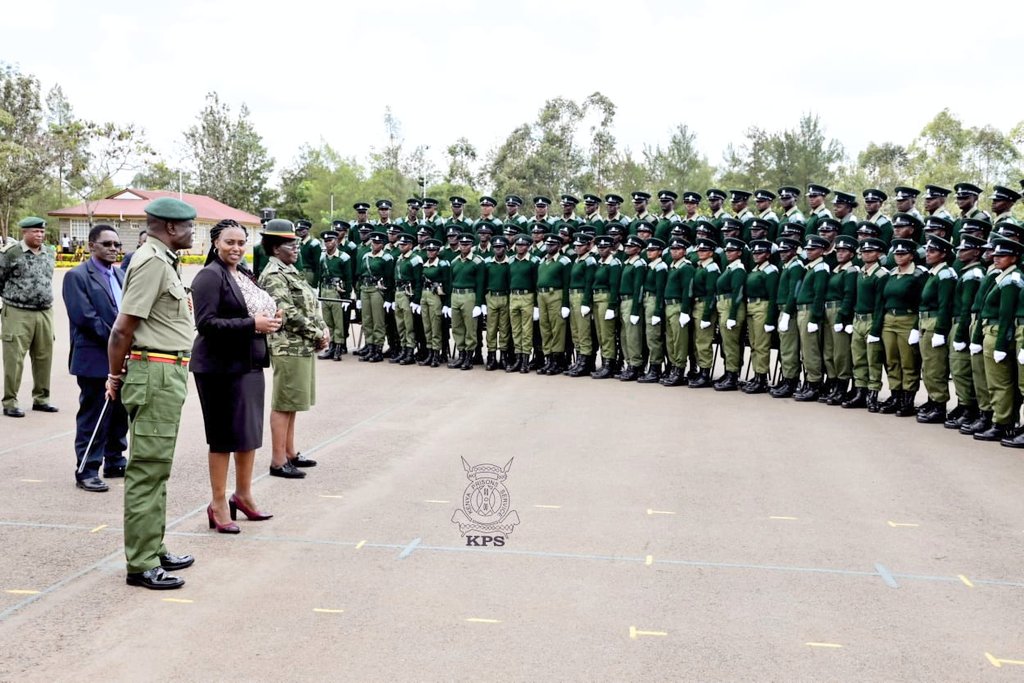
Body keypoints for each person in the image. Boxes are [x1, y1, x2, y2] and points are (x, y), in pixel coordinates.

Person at [105, 197, 198, 590]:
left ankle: (153, 547)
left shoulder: (163, 260)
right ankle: (141, 562)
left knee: (158, 467)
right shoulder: (151, 262)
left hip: (166, 370)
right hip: (155, 371)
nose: (194, 232)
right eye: (190, 226)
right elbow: (122, 329)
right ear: (171, 229)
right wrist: (114, 375)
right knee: (146, 469)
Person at [191, 219, 281, 533]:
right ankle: (217, 504)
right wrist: (251, 325)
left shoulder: (243, 273)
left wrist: (271, 320)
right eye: (230, 242)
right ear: (215, 243)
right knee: (222, 438)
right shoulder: (208, 276)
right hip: (218, 368)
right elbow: (206, 324)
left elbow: (255, 310)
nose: (237, 248)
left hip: (249, 364)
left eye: (241, 243)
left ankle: (243, 495)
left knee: (248, 435)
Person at [257, 219, 329, 478]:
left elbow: (310, 302)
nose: (296, 247)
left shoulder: (288, 269)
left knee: (294, 402)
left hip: (301, 345)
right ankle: (278, 461)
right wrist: (317, 333)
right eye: (290, 244)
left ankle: (290, 452)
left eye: (297, 243)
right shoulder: (274, 274)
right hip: (287, 346)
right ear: (276, 248)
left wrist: (323, 329)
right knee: (284, 402)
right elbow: (286, 312)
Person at [62, 224, 129, 492]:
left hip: (122, 356)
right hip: (94, 357)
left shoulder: (121, 275)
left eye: (116, 245)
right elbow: (85, 319)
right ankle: (87, 468)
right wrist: (120, 341)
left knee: (119, 413)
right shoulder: (77, 276)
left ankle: (115, 460)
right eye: (107, 244)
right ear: (91, 245)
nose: (113, 249)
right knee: (95, 414)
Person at [1, 217, 58, 417]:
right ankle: (10, 402)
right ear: (24, 232)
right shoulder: (11, 254)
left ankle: (41, 399)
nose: (40, 235)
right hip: (18, 311)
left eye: (42, 232)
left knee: (44, 356)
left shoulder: (49, 253)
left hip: (44, 312)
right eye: (35, 232)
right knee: (14, 358)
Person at [876, 238, 927, 417]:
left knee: (908, 361)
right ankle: (895, 394)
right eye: (896, 254)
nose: (899, 257)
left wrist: (915, 327)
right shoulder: (891, 273)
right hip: (889, 319)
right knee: (891, 360)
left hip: (907, 318)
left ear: (911, 256)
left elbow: (923, 302)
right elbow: (883, 300)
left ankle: (908, 399)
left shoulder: (918, 275)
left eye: (903, 253)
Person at [915, 235, 958, 424]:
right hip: (925, 322)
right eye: (928, 251)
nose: (928, 254)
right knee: (928, 366)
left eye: (932, 252)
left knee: (935, 367)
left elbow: (945, 305)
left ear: (944, 254)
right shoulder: (934, 273)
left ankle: (939, 405)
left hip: (934, 323)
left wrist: (940, 330)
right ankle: (933, 400)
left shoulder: (945, 274)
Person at [846, 236, 889, 411]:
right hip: (858, 319)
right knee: (858, 359)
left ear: (878, 253)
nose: (866, 254)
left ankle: (872, 393)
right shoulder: (860, 273)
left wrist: (876, 330)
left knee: (873, 360)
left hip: (872, 320)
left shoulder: (881, 275)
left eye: (870, 251)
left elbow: (880, 305)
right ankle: (860, 392)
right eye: (863, 251)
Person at [742, 239, 778, 394]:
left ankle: (762, 378)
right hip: (751, 307)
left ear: (768, 254)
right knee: (754, 344)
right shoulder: (755, 269)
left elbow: (772, 296)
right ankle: (757, 374)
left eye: (760, 253)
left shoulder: (770, 270)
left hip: (762, 307)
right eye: (755, 253)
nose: (756, 255)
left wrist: (770, 319)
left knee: (762, 345)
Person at [713, 237, 748, 391]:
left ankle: (732, 376)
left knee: (731, 344)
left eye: (732, 250)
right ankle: (729, 372)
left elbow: (737, 294)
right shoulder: (730, 267)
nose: (728, 253)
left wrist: (733, 316)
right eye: (727, 250)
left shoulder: (738, 269)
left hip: (730, 307)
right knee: (726, 343)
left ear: (739, 253)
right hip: (724, 306)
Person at [355, 231, 394, 363]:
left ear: (383, 244)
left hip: (377, 289)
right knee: (366, 320)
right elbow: (361, 275)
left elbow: (389, 279)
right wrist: (359, 295)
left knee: (378, 320)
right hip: (365, 288)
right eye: (373, 242)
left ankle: (378, 349)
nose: (375, 245)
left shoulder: (386, 258)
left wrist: (388, 298)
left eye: (378, 243)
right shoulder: (366, 256)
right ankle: (369, 346)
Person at [315, 228, 354, 361]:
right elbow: (320, 276)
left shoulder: (344, 257)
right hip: (325, 290)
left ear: (336, 241)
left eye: (330, 241)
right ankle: (331, 346)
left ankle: (339, 346)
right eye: (325, 241)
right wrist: (319, 293)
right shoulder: (322, 257)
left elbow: (348, 279)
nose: (327, 244)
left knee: (339, 322)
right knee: (328, 321)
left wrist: (346, 298)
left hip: (337, 291)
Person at [419, 239, 452, 368]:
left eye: (433, 250)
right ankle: (429, 352)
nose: (430, 252)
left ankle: (436, 354)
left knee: (435, 325)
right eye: (428, 250)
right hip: (425, 294)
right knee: (427, 326)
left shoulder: (442, 264)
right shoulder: (425, 264)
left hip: (435, 296)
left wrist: (446, 303)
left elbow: (447, 283)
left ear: (438, 251)